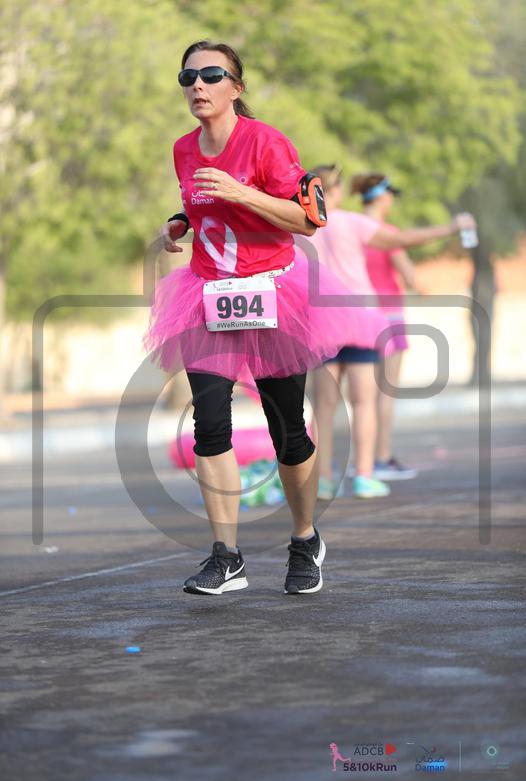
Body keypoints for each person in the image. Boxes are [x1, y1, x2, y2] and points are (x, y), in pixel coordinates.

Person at [144, 42, 387, 595]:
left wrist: (241, 191)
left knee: (288, 430)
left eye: (211, 75)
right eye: (188, 76)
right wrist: (179, 223)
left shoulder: (266, 142)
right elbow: (203, 204)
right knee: (209, 423)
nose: (197, 85)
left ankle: (304, 538)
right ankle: (226, 557)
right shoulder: (183, 149)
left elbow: (308, 219)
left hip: (272, 292)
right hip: (207, 293)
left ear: (236, 88)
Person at [308, 165, 476, 500]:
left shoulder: (302, 227)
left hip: (322, 323)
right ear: (334, 191)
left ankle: (323, 479)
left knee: (323, 407)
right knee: (364, 402)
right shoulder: (351, 222)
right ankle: (364, 475)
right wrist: (451, 227)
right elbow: (400, 240)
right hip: (359, 319)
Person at [354, 172, 419, 480]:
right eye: (391, 195)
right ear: (382, 196)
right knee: (385, 393)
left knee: (360, 397)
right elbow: (410, 277)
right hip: (389, 317)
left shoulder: (352, 229)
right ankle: (380, 459)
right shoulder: (387, 233)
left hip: (359, 317)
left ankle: (361, 462)